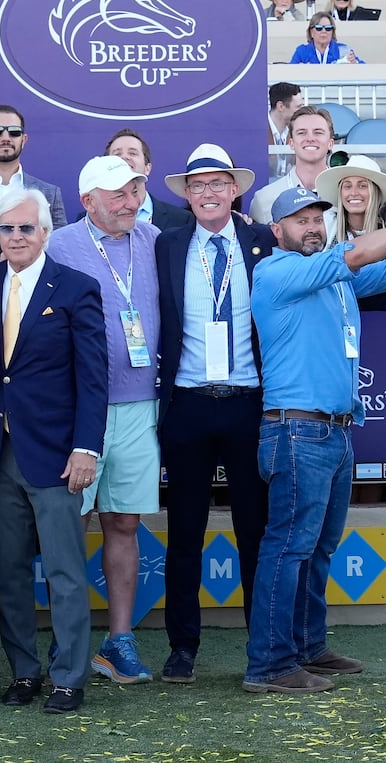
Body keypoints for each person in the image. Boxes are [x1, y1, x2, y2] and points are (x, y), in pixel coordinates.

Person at [243, 187, 386, 693]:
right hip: (298, 431)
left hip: (332, 430)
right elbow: (358, 253)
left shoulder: (334, 279)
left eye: (318, 218)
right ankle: (270, 665)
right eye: (300, 220)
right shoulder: (276, 272)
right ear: (278, 231)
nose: (312, 226)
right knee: (290, 548)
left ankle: (307, 650)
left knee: (315, 550)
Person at [0, 188, 105, 715]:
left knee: (64, 571)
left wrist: (85, 448)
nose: (16, 238)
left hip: (55, 452)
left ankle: (69, 676)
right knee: (8, 572)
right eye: (6, 229)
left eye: (26, 228)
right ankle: (24, 672)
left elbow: (94, 378)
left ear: (46, 232)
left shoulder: (77, 288)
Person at [154, 146, 275, 683]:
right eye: (196, 185)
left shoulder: (262, 242)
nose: (207, 193)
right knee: (184, 534)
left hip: (250, 403)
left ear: (234, 191)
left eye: (217, 184)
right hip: (188, 404)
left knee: (256, 530)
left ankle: (263, 644)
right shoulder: (166, 245)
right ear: (186, 195)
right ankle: (182, 649)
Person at [44, 157, 163, 685]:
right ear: (87, 199)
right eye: (118, 194)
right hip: (77, 410)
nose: (130, 202)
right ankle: (68, 642)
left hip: (140, 405)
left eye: (136, 190)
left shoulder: (156, 239)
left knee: (125, 522)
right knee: (72, 526)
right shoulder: (59, 244)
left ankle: (119, 642)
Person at [0, 106, 67, 229]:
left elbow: (58, 243)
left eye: (14, 132)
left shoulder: (50, 194)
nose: (5, 138)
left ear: (23, 140)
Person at [251, 107, 336, 223]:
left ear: (330, 143)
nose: (310, 138)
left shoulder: (345, 195)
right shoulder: (264, 198)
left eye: (318, 132)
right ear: (291, 143)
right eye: (302, 133)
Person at [291, 12, 362, 64]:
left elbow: (363, 68)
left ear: (332, 32)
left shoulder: (344, 50)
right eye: (319, 28)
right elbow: (290, 72)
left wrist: (355, 63)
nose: (324, 31)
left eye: (328, 28)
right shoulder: (302, 51)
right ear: (311, 32)